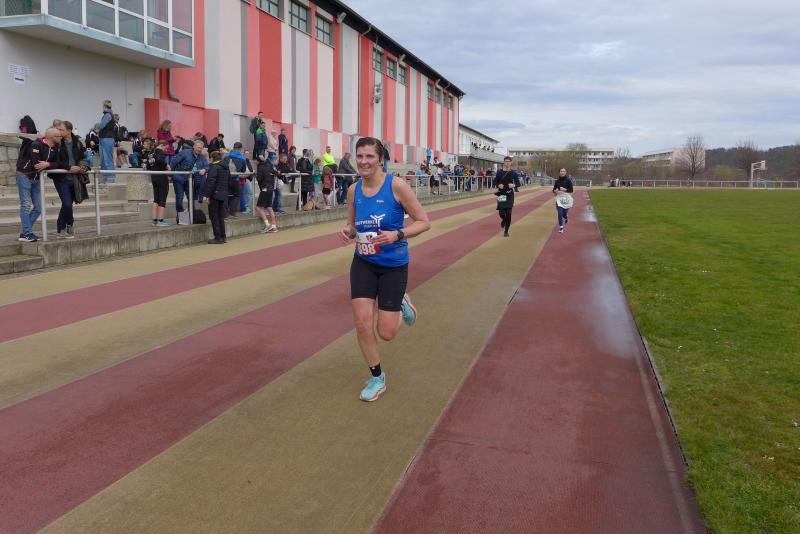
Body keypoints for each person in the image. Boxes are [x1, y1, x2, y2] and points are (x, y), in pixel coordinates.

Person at [339, 137, 431, 402]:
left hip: (393, 266)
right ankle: (377, 377)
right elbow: (353, 225)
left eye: (369, 156)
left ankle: (401, 302)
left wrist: (397, 234)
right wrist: (348, 231)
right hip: (363, 262)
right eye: (360, 156)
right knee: (362, 324)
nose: (363, 161)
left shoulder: (396, 186)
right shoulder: (353, 190)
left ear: (380, 159)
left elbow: (424, 222)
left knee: (387, 333)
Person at [15, 127, 63, 242]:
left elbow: (59, 163)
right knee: (26, 205)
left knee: (39, 207)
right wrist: (48, 164)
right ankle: (27, 233)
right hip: (25, 176)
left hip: (37, 179)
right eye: (59, 136)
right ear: (52, 137)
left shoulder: (55, 148)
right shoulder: (36, 145)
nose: (61, 138)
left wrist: (48, 164)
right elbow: (36, 164)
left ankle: (24, 233)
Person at [54, 121, 89, 239]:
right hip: (61, 178)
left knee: (68, 204)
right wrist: (69, 168)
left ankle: (67, 225)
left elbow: (83, 158)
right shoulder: (57, 143)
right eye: (58, 129)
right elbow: (55, 161)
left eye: (61, 130)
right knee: (67, 203)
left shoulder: (77, 143)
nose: (59, 132)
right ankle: (62, 228)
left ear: (69, 131)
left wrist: (82, 167)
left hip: (75, 179)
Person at [170, 140, 208, 223]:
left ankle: (192, 216)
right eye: (198, 147)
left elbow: (207, 166)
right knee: (179, 198)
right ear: (194, 147)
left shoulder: (202, 157)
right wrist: (172, 174)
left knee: (191, 198)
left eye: (201, 148)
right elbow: (173, 162)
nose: (199, 149)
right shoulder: (185, 152)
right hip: (178, 178)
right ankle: (181, 218)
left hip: (189, 180)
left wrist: (205, 169)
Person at [202, 151, 230, 244]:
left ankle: (218, 237)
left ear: (212, 158)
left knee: (214, 216)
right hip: (223, 194)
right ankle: (223, 237)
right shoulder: (225, 167)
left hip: (215, 194)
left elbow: (211, 182)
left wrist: (206, 195)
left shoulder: (214, 167)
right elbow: (229, 180)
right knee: (220, 216)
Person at [145, 140, 171, 227]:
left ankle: (154, 220)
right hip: (161, 177)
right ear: (162, 145)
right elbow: (160, 160)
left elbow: (147, 166)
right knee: (162, 199)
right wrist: (167, 165)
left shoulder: (151, 153)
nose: (166, 150)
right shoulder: (159, 152)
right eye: (165, 148)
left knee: (156, 199)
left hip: (154, 177)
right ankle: (160, 220)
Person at [223, 141, 250, 218]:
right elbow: (243, 170)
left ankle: (225, 214)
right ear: (241, 148)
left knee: (225, 195)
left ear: (233, 148)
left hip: (225, 179)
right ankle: (232, 213)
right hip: (235, 180)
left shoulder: (226, 156)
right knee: (236, 195)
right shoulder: (242, 158)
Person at [494, 156, 518, 237]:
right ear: (504, 162)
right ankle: (503, 220)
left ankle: (506, 231)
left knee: (508, 213)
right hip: (501, 194)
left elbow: (518, 183)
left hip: (509, 194)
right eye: (506, 161)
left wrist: (513, 185)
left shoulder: (513, 173)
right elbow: (495, 182)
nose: (507, 163)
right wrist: (498, 185)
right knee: (501, 213)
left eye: (509, 161)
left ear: (511, 163)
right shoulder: (499, 172)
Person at [255, 157, 279, 234]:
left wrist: (256, 174)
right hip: (270, 188)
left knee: (258, 208)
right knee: (269, 207)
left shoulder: (260, 167)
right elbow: (275, 172)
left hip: (265, 188)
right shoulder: (268, 165)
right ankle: (273, 225)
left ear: (258, 161)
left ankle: (267, 225)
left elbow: (259, 179)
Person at [98, 100, 116, 182]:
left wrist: (97, 127)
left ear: (104, 106)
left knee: (107, 160)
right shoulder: (109, 115)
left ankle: (110, 178)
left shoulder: (107, 115)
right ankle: (105, 178)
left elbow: (101, 125)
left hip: (107, 138)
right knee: (103, 160)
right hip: (105, 138)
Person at [553, 168, 575, 234]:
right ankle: (561, 227)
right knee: (560, 213)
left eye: (563, 171)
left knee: (564, 213)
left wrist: (565, 190)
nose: (562, 172)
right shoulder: (557, 181)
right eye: (561, 171)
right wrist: (555, 191)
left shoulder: (568, 181)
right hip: (559, 200)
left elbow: (571, 190)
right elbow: (554, 190)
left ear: (565, 172)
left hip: (566, 199)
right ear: (559, 172)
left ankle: (565, 217)